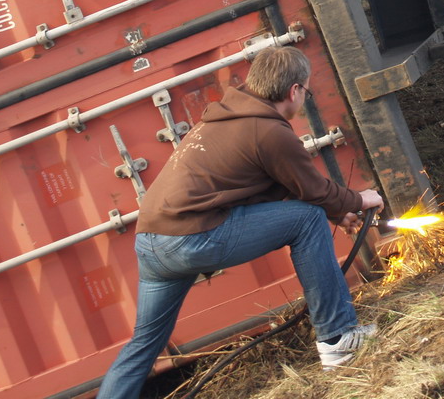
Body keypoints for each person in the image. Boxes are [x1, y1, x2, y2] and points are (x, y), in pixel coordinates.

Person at [98, 45, 383, 398]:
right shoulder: (270, 132)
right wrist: (359, 200)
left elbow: (281, 185)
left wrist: (339, 213)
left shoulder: (224, 118)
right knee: (307, 220)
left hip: (152, 241)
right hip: (191, 237)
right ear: (295, 90)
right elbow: (313, 192)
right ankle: (338, 338)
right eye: (306, 91)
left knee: (145, 342)